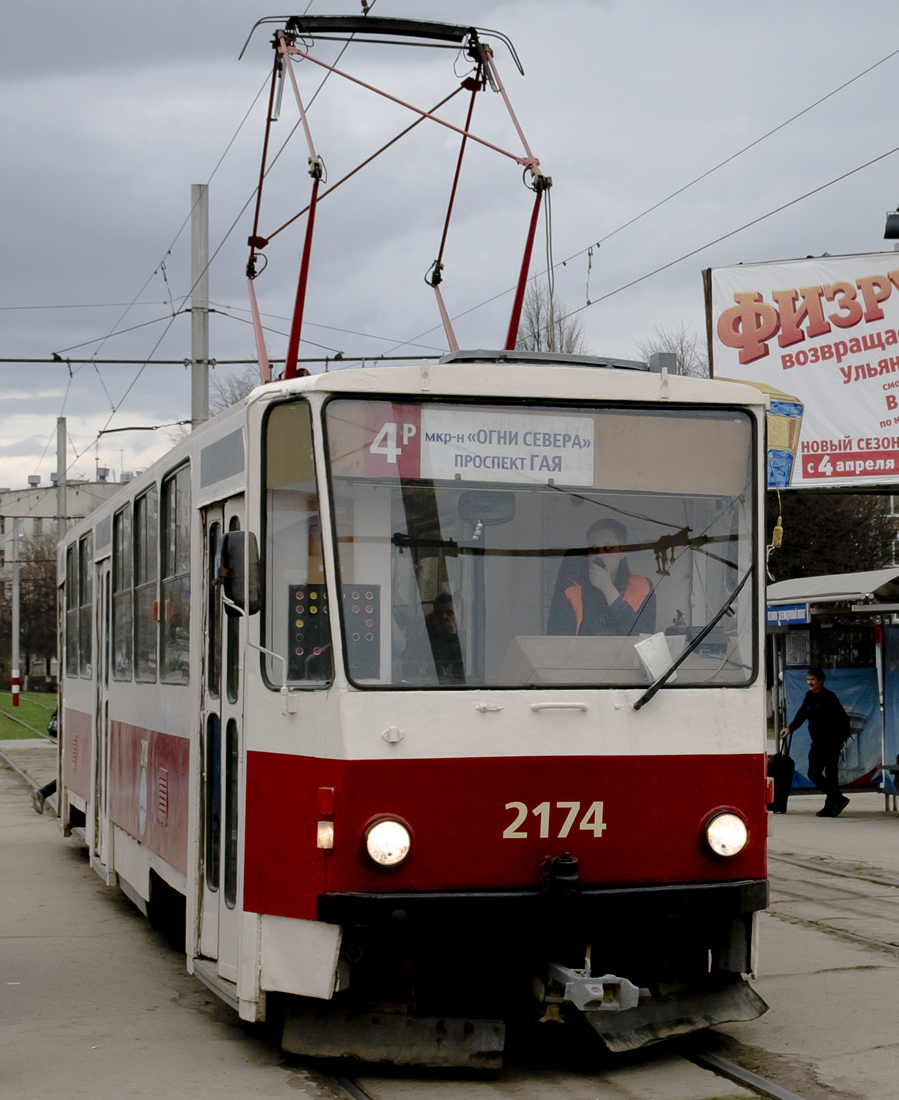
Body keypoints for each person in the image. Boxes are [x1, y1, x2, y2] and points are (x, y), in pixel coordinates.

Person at [547, 518, 655, 636]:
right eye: (593, 548)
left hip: (625, 654)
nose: (599, 554)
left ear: (623, 552)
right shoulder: (571, 588)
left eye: (607, 548)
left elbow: (644, 639)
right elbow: (556, 635)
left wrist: (608, 589)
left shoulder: (642, 587)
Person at [781, 667, 850, 818]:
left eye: (813, 680)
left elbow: (843, 718)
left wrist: (839, 738)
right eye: (808, 680)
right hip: (818, 743)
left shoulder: (830, 697)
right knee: (813, 773)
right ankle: (837, 797)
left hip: (832, 742)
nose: (810, 683)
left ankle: (831, 804)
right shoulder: (809, 696)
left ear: (821, 681)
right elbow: (802, 714)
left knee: (832, 774)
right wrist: (790, 728)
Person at [425, 592, 465, 684]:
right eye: (439, 613)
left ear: (458, 615)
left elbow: (462, 667)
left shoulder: (467, 640)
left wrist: (453, 636)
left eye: (449, 613)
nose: (444, 617)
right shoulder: (424, 639)